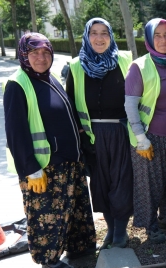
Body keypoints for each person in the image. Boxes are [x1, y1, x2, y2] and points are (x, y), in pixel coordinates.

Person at [3, 33, 96, 268]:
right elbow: (16, 132)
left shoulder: (49, 77)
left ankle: (79, 248)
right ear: (24, 55)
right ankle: (48, 258)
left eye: (46, 52)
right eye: (34, 53)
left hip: (68, 161)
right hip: (44, 166)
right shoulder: (18, 84)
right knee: (47, 215)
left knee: (73, 208)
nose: (41, 58)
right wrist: (31, 169)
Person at [65, 18, 134, 249]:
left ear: (111, 35)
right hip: (92, 136)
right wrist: (82, 137)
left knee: (122, 181)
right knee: (100, 184)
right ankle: (111, 229)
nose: (99, 38)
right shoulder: (76, 67)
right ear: (86, 36)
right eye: (94, 33)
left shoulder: (124, 60)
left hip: (121, 132)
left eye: (104, 32)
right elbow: (71, 105)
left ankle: (121, 231)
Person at [125, 18, 166, 244]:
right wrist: (141, 138)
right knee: (149, 184)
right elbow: (130, 106)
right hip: (148, 138)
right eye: (157, 35)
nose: (163, 40)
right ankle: (150, 225)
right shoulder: (139, 67)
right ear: (149, 39)